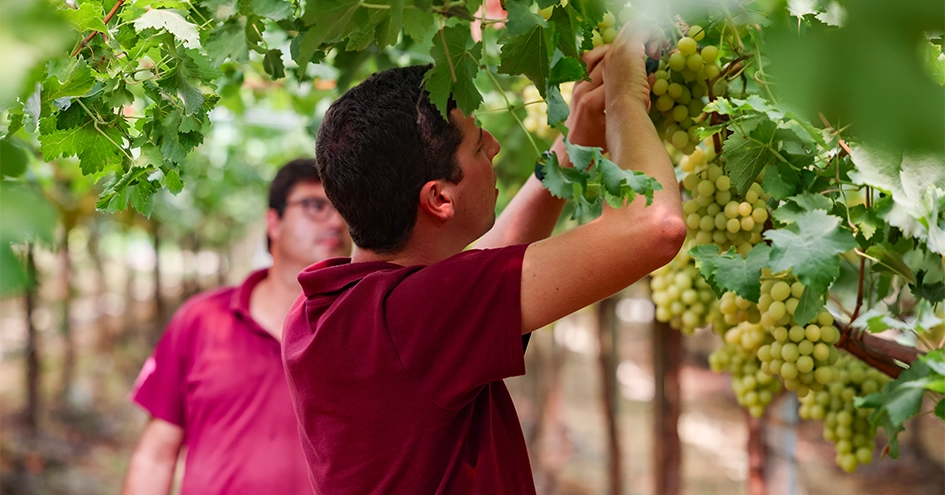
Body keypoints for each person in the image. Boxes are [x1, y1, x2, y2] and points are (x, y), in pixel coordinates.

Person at [282, 23, 686, 494]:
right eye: (478, 145)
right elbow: (657, 226)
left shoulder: (326, 312)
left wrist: (574, 146)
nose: (495, 146)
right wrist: (623, 100)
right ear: (439, 199)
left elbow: (491, 271)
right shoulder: (414, 319)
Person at [121, 159, 351, 495]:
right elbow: (157, 454)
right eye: (315, 206)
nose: (335, 221)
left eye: (344, 209)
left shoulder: (365, 329)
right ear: (273, 222)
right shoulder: (200, 320)